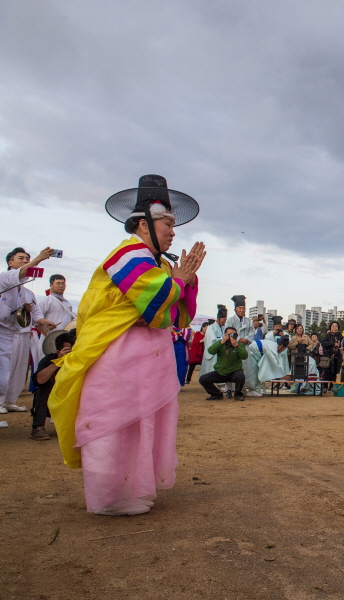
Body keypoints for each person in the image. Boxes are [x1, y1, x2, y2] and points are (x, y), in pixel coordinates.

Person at [48, 174, 204, 516]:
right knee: (114, 423)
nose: (173, 231)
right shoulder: (127, 254)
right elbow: (152, 303)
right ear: (144, 224)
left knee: (140, 425)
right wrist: (177, 282)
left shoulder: (158, 262)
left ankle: (133, 490)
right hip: (118, 354)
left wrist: (184, 282)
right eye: (167, 223)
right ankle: (108, 496)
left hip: (146, 358)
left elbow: (176, 317)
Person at [0, 247, 55, 424]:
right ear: (10, 262)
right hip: (3, 332)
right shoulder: (4, 278)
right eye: (21, 258)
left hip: (13, 333)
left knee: (15, 372)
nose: (25, 261)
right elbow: (23, 271)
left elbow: (35, 315)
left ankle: (9, 401)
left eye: (27, 258)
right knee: (1, 375)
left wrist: (44, 322)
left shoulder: (26, 292)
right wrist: (39, 258)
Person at [30, 331, 75, 440]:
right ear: (58, 351)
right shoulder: (49, 359)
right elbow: (39, 381)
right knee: (45, 385)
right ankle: (38, 427)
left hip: (73, 403)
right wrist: (58, 362)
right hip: (54, 403)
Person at [225, 295, 261, 397]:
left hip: (245, 347)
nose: (241, 310)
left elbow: (251, 332)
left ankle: (249, 389)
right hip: (233, 347)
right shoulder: (230, 320)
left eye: (243, 308)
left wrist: (247, 339)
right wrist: (238, 338)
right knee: (231, 367)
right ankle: (229, 389)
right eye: (239, 308)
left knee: (249, 367)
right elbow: (227, 332)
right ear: (235, 309)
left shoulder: (248, 321)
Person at [199, 326, 247, 400]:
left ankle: (238, 394)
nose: (231, 337)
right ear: (225, 335)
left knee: (241, 376)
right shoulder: (221, 343)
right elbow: (210, 351)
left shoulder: (239, 344)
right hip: (221, 371)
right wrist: (222, 342)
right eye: (229, 334)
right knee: (203, 379)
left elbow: (244, 356)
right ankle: (216, 394)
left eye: (233, 334)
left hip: (234, 371)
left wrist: (236, 346)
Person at [201, 305, 227, 380]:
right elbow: (212, 340)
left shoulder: (223, 327)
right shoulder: (211, 327)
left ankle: (221, 383)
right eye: (223, 319)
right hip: (213, 352)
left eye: (225, 320)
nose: (224, 321)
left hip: (221, 352)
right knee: (211, 368)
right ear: (218, 319)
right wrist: (222, 340)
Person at [321, 320, 343, 392]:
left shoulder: (340, 336)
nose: (334, 328)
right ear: (330, 327)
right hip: (328, 357)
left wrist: (343, 348)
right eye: (333, 326)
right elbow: (323, 343)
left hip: (337, 357)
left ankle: (331, 386)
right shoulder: (328, 335)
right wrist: (333, 344)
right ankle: (324, 386)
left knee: (334, 373)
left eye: (336, 326)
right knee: (327, 372)